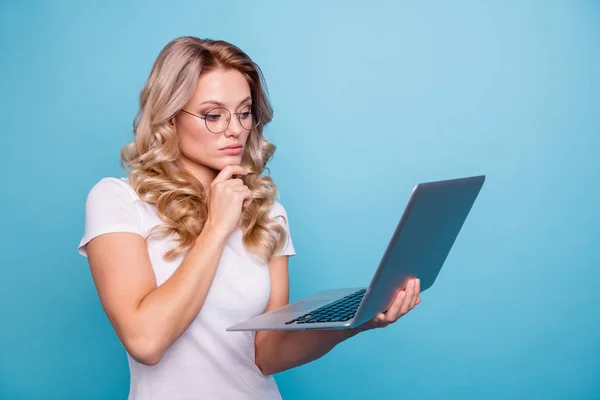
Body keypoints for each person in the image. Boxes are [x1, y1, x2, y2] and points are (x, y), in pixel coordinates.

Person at [77, 36, 421, 400]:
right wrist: (217, 226)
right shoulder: (119, 200)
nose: (235, 129)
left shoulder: (266, 211)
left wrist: (357, 322)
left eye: (244, 112)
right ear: (170, 117)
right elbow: (146, 342)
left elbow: (266, 354)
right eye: (213, 115)